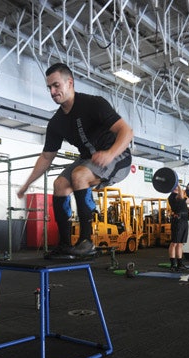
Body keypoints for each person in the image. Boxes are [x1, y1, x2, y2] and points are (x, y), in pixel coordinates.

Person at [17, 63, 133, 257]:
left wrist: (110, 153)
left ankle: (87, 242)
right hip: (89, 158)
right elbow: (46, 157)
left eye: (56, 86)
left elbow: (127, 131)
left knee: (79, 175)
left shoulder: (94, 103)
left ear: (69, 82)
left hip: (118, 156)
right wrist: (26, 185)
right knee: (60, 184)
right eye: (50, 88)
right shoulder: (56, 122)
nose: (53, 92)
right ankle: (64, 244)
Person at [168, 183, 189, 271]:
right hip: (178, 221)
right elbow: (180, 195)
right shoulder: (172, 196)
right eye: (175, 185)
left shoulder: (182, 198)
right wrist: (179, 186)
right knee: (174, 243)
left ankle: (180, 264)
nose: (177, 187)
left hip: (184, 221)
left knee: (180, 244)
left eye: (177, 186)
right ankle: (173, 265)